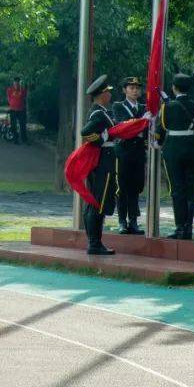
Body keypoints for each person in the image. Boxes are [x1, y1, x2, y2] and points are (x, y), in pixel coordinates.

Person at [159, 73, 194, 240]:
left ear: (174, 88)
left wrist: (167, 104)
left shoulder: (168, 106)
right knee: (189, 187)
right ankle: (188, 227)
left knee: (176, 189)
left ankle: (180, 227)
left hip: (174, 147)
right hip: (190, 147)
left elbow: (164, 125)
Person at [80, 75, 118, 255]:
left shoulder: (100, 111)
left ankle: (95, 242)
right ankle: (94, 243)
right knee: (98, 202)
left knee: (96, 202)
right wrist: (101, 139)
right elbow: (86, 132)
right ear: (102, 94)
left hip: (103, 159)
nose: (110, 94)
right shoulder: (98, 113)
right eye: (107, 92)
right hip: (102, 161)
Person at [112, 77, 147, 234]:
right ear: (124, 90)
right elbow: (122, 125)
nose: (135, 90)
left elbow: (147, 130)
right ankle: (122, 221)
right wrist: (140, 123)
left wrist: (140, 125)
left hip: (138, 152)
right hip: (124, 151)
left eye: (137, 87)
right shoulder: (118, 106)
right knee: (122, 187)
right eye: (131, 87)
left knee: (135, 187)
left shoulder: (144, 108)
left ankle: (133, 221)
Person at [6, 77, 29, 145]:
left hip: (21, 110)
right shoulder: (10, 89)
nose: (17, 84)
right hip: (13, 110)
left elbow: (25, 98)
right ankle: (15, 139)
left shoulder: (23, 90)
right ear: (13, 83)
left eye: (18, 82)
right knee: (13, 125)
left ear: (19, 83)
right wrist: (11, 105)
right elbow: (9, 98)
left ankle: (24, 139)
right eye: (15, 82)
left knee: (22, 125)